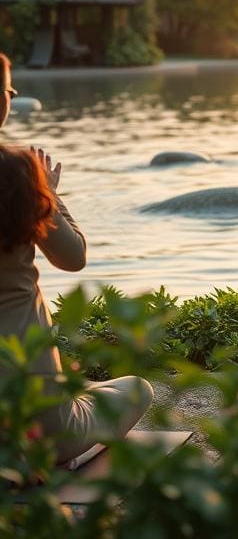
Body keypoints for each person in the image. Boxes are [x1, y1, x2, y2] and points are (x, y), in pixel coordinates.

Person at [0, 141, 154, 464]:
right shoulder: (14, 171)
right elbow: (72, 257)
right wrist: (47, 193)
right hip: (39, 437)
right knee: (138, 389)